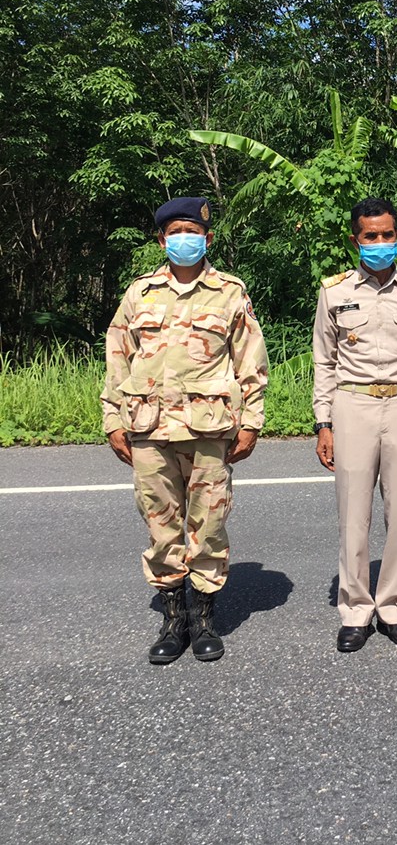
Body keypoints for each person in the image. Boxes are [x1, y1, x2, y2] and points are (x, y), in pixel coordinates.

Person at [101, 197, 267, 665]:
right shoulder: (139, 294)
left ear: (208, 239)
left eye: (192, 232)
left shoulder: (230, 291)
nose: (184, 240)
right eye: (175, 232)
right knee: (160, 522)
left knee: (209, 524)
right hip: (148, 428)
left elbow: (250, 364)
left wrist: (251, 422)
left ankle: (205, 619)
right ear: (161, 240)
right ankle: (174, 620)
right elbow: (117, 356)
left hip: (209, 429)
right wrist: (113, 419)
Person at [313, 198, 397, 653]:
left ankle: (394, 606)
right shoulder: (334, 292)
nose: (381, 243)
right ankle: (355, 609)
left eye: (388, 235)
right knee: (354, 517)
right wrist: (323, 422)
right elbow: (323, 362)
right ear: (356, 240)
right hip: (353, 406)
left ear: (396, 237)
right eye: (371, 236)